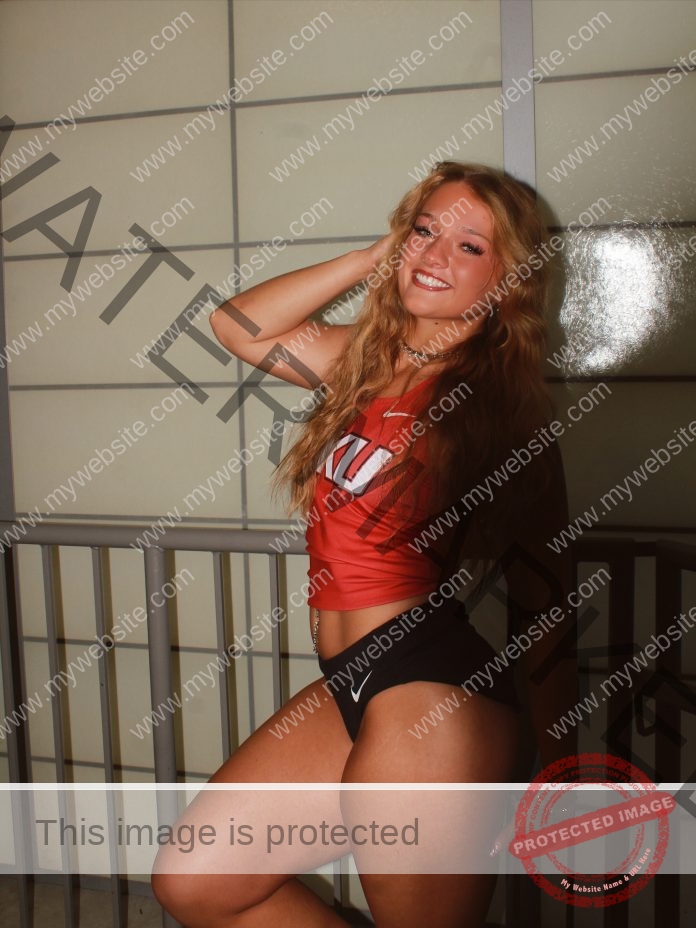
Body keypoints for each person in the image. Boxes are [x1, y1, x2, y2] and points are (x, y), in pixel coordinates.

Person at [151, 161, 577, 927]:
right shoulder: (366, 362)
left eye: (470, 246)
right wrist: (371, 259)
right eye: (425, 230)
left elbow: (544, 598)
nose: (435, 254)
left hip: (434, 691)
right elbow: (234, 325)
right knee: (197, 881)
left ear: (509, 276)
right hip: (351, 677)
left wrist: (560, 767)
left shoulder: (503, 405)